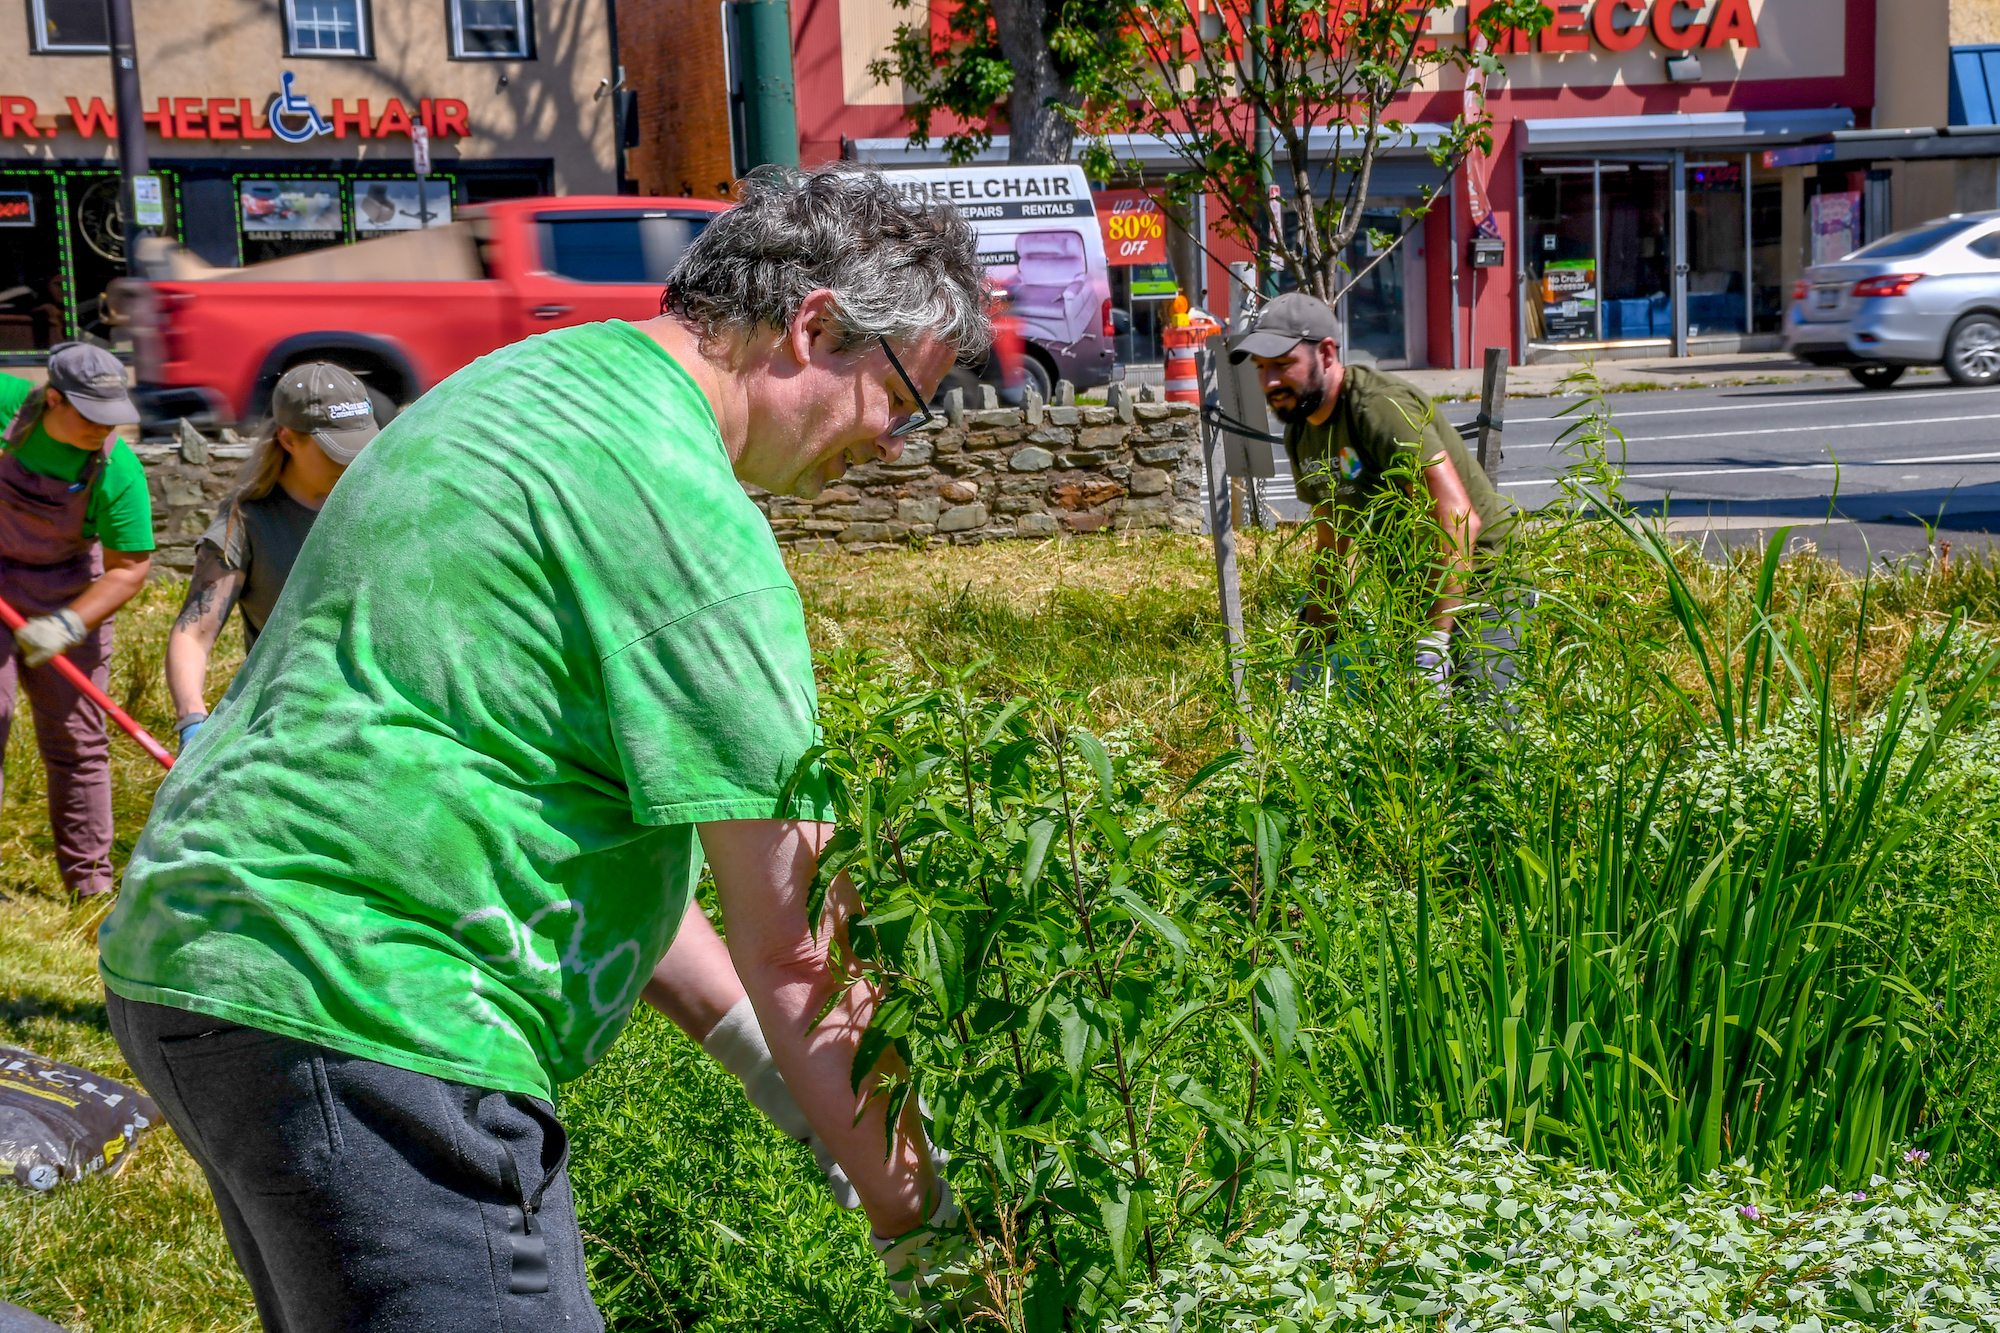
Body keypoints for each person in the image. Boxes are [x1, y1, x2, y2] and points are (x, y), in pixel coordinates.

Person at [97, 163, 987, 1332]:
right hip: (375, 1003)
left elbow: (545, 798)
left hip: (210, 959)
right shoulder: (691, 530)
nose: (891, 447)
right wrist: (929, 1228)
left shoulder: (524, 394)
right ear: (812, 326)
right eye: (901, 401)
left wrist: (777, 1079)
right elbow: (800, 947)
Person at [1230, 293, 1526, 701]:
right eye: (1261, 369)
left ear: (1327, 353)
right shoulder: (1302, 433)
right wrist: (1310, 653)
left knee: (1483, 741)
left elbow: (1457, 518)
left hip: (1478, 584)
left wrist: (1433, 646)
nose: (1270, 383)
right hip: (1413, 594)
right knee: (1419, 749)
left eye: (1282, 365)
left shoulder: (1376, 407)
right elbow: (1335, 547)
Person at [0, 344, 153, 899]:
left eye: (112, 415)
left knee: (78, 739)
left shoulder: (117, 467)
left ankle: (88, 884)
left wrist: (67, 624)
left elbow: (130, 568)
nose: (103, 428)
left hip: (68, 584)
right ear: (53, 399)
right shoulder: (6, 405)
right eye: (90, 415)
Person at [165, 363, 379, 751]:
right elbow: (194, 634)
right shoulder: (247, 522)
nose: (351, 463)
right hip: (288, 727)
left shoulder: (380, 505)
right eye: (335, 451)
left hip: (381, 719)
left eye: (359, 447)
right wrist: (193, 721)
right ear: (287, 439)